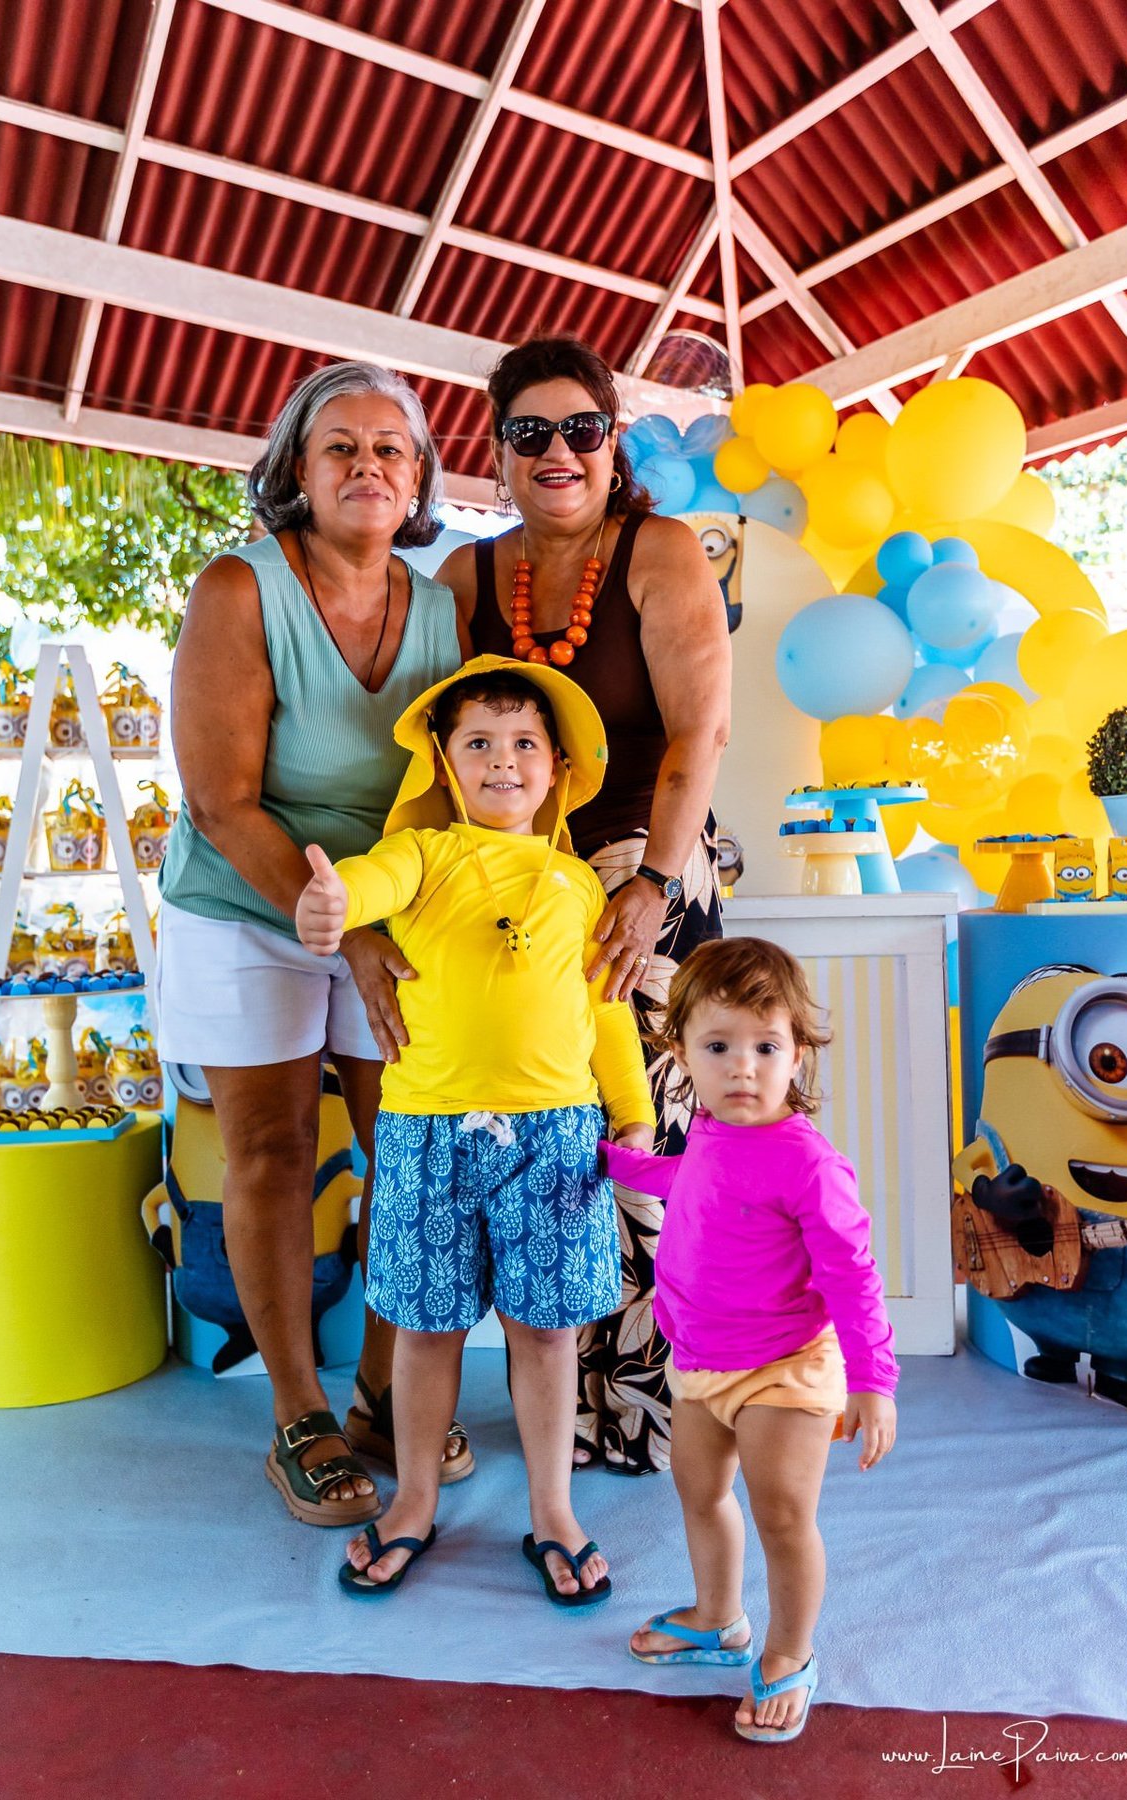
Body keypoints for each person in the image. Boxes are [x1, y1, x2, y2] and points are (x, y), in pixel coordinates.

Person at [157, 360, 472, 1528]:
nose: (369, 466)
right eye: (341, 446)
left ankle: (389, 1398)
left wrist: (391, 922)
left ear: (422, 475)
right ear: (295, 467)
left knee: (420, 1152)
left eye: (393, 447)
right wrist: (349, 940)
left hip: (380, 912)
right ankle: (298, 1412)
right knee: (276, 1153)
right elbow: (222, 804)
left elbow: (456, 783)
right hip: (249, 903)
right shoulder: (239, 589)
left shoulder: (441, 608)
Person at [434, 334, 733, 1475]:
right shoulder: (471, 576)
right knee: (539, 1140)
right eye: (529, 433)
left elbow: (698, 737)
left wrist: (652, 885)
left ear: (613, 444)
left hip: (638, 867)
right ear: (498, 452)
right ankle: (562, 1401)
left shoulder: (658, 550)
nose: (556, 452)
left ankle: (656, 1409)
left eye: (580, 430)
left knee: (636, 1130)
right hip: (516, 887)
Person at [294, 658, 655, 1601]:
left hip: (558, 1138)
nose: (504, 760)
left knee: (546, 1334)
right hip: (424, 1135)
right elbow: (369, 882)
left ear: (558, 768)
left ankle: (552, 1510)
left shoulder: (580, 886)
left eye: (525, 742)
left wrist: (636, 1111)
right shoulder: (426, 857)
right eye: (480, 744)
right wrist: (335, 904)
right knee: (424, 1331)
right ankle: (413, 1500)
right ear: (447, 767)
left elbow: (609, 1008)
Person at [603, 937, 898, 1743]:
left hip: (787, 1370)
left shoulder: (808, 1163)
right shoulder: (707, 1131)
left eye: (766, 1047)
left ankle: (790, 1652)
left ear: (796, 1054)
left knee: (782, 1514)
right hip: (700, 1367)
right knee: (698, 1493)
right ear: (682, 1055)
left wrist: (874, 1383)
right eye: (720, 1046)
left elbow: (853, 1276)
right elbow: (692, 1184)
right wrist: (620, 1165)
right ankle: (716, 1615)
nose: (744, 1067)